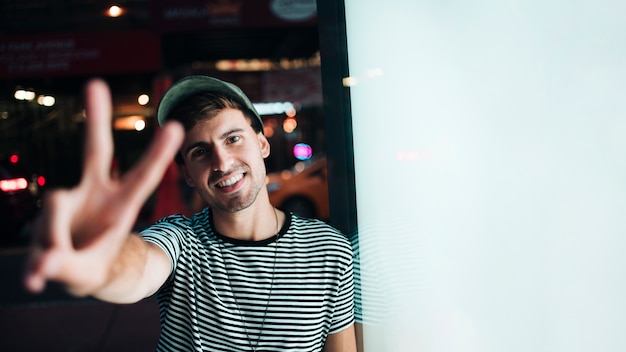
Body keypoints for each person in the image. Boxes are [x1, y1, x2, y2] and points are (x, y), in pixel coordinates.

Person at [24, 76, 357, 351]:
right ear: (187, 173)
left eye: (233, 139)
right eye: (200, 151)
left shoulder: (329, 249)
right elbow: (139, 269)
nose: (222, 163)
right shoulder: (181, 241)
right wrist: (102, 255)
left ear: (262, 144)